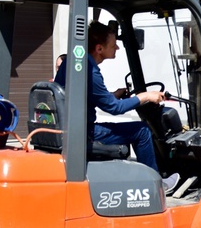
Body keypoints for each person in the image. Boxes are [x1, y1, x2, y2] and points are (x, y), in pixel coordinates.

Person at [55, 20, 178, 191]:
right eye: (114, 45)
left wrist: (113, 95)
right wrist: (145, 96)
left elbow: (85, 96)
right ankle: (156, 185)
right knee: (142, 131)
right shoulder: (90, 72)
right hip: (86, 134)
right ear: (99, 49)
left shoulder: (74, 64)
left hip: (72, 130)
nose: (118, 48)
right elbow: (114, 108)